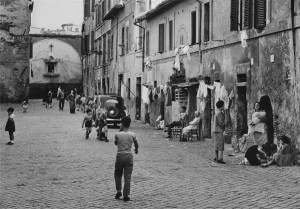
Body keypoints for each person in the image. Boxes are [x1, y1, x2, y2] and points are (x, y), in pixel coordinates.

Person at [114, 116, 139, 202]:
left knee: (118, 174)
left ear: (122, 124)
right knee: (127, 176)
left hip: (120, 156)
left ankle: (118, 191)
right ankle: (126, 195)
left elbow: (116, 143)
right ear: (129, 124)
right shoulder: (132, 134)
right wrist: (136, 150)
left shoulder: (117, 134)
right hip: (129, 156)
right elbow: (136, 144)